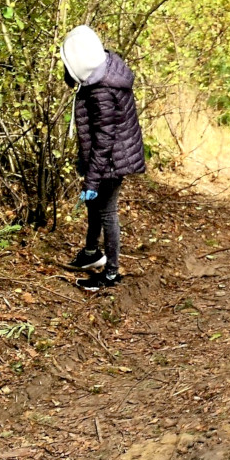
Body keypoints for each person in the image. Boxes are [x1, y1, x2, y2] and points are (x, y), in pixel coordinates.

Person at [60, 25, 146, 291]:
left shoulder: (101, 90)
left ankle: (110, 274)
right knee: (95, 205)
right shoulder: (105, 70)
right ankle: (90, 254)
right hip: (107, 157)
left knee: (107, 213)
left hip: (110, 161)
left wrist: (91, 180)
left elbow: (104, 141)